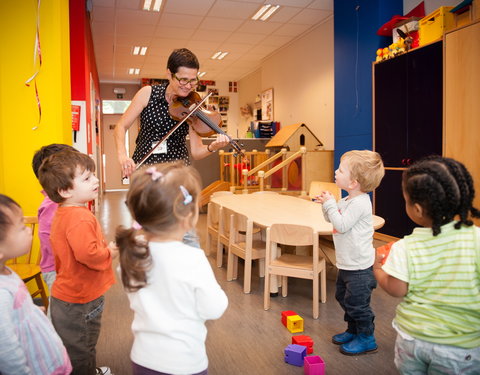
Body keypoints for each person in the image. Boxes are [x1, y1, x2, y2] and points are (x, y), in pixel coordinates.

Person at [116, 163, 228, 375]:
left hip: (142, 358)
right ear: (189, 216)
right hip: (184, 362)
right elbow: (214, 308)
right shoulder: (192, 259)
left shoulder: (132, 252)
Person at [373, 156, 480, 374]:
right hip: (461, 347)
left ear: (418, 210)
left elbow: (396, 289)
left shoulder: (406, 246)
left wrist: (377, 268)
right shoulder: (476, 239)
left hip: (413, 339)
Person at [114, 48, 229, 249]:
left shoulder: (193, 104)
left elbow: (196, 152)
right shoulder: (147, 94)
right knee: (148, 234)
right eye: (182, 79)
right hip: (147, 173)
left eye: (193, 80)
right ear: (169, 74)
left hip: (177, 176)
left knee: (187, 234)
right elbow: (120, 126)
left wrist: (213, 147)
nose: (188, 86)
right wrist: (123, 157)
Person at [38, 150, 118, 375]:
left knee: (73, 345)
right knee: (82, 347)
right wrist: (110, 252)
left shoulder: (63, 213)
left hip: (67, 295)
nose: (95, 180)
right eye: (86, 178)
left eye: (93, 174)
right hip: (81, 298)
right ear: (64, 190)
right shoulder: (80, 217)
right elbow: (88, 255)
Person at [316, 150, 385, 355]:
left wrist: (330, 204)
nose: (335, 172)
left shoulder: (361, 203)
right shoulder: (347, 201)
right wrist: (326, 205)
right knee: (342, 297)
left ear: (353, 182)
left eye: (340, 169)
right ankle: (353, 329)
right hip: (347, 263)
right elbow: (331, 219)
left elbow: (342, 225)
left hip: (360, 268)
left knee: (357, 304)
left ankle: (367, 337)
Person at [0, 194, 72, 374]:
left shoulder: (7, 273)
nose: (29, 230)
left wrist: (30, 312)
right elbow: (8, 353)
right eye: (21, 227)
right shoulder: (1, 294)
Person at [31, 143, 78, 300]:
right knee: (62, 315)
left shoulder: (66, 202)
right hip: (59, 271)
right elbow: (49, 241)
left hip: (65, 269)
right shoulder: (52, 205)